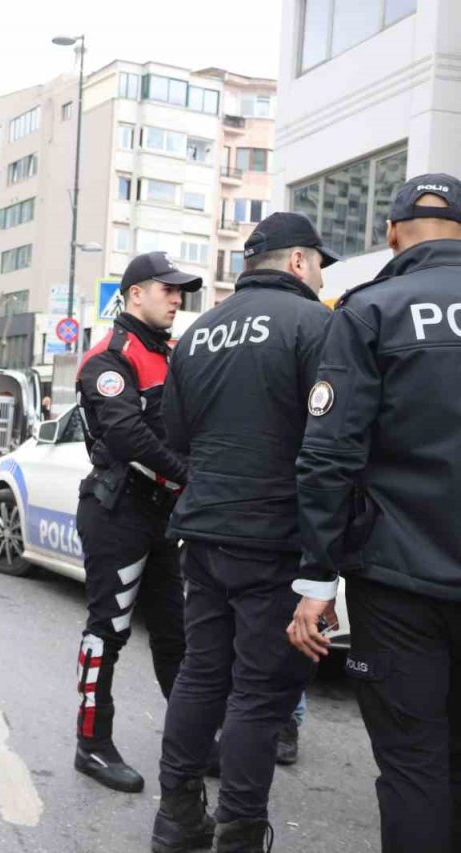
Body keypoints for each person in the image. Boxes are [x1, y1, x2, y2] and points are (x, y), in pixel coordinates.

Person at [150, 213, 338, 852]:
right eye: (319, 263)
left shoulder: (198, 332)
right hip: (275, 537)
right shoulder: (316, 324)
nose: (320, 276)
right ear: (298, 262)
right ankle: (239, 833)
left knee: (202, 675)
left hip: (205, 530)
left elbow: (176, 434)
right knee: (259, 695)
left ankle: (177, 817)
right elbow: (332, 440)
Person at [292, 174, 461, 853]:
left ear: (391, 233)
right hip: (400, 575)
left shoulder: (371, 310)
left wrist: (316, 578)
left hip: (398, 581)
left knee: (414, 766)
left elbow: (328, 455)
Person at [72, 250, 200, 792]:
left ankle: (192, 741)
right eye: (167, 289)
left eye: (180, 291)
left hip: (161, 515)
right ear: (135, 294)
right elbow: (127, 435)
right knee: (108, 631)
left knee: (175, 635)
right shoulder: (109, 358)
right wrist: (190, 475)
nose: (177, 299)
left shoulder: (170, 353)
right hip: (118, 511)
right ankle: (91, 745)